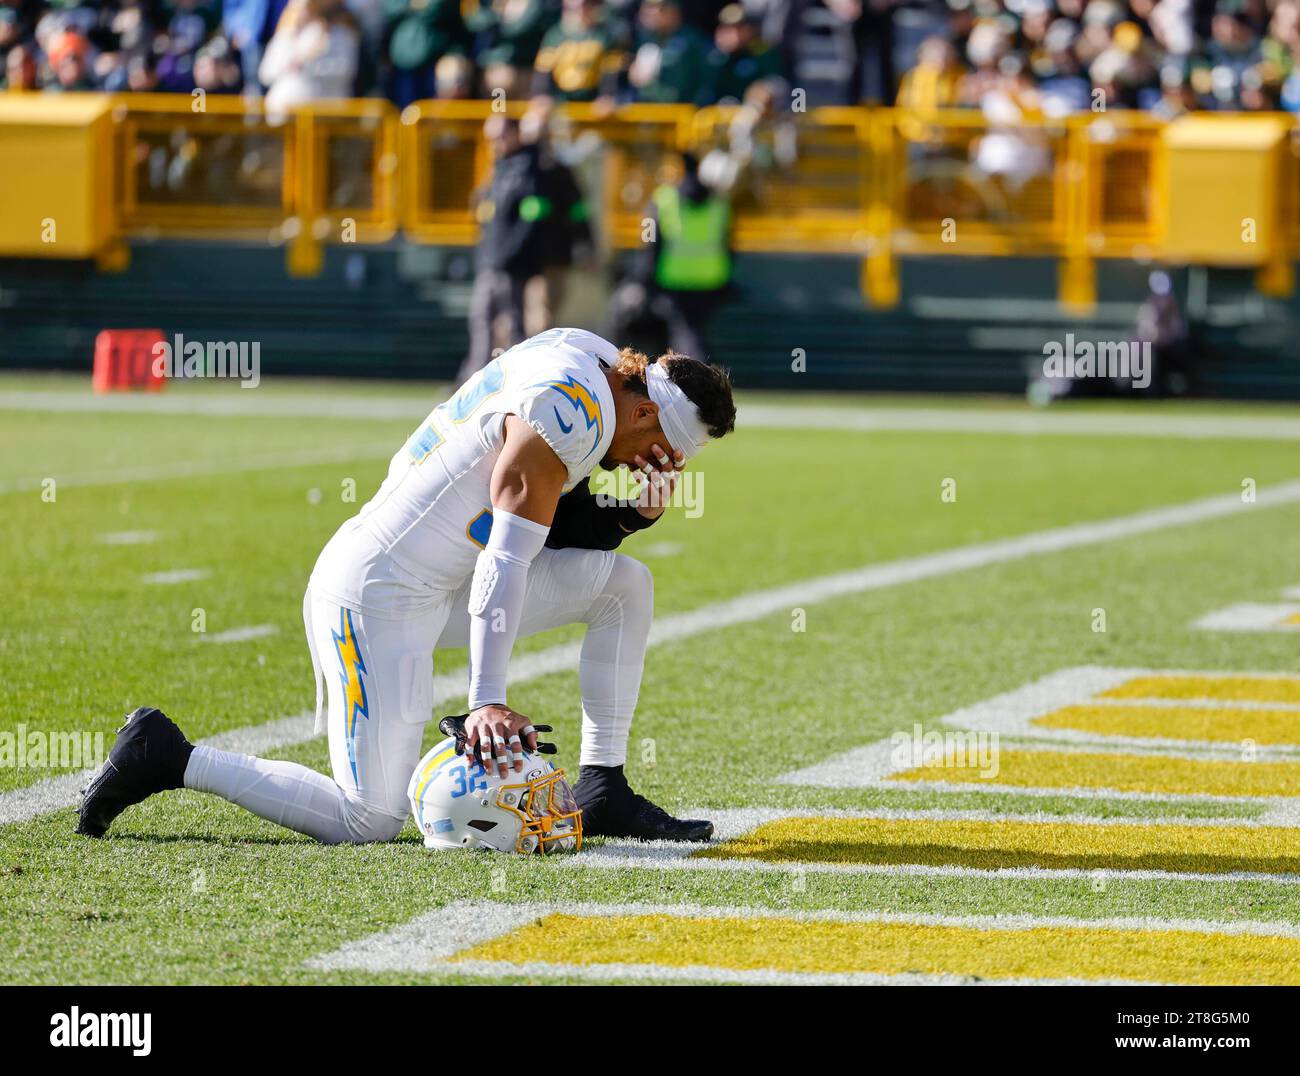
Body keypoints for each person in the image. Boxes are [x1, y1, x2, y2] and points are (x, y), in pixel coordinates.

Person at [76, 327, 737, 846]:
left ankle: (604, 788)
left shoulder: (591, 359)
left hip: (440, 583)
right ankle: (168, 754)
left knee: (624, 586)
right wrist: (486, 700)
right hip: (378, 593)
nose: (659, 464)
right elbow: (506, 559)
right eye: (666, 449)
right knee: (367, 818)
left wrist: (628, 515)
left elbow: (538, 521)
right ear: (646, 408)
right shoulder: (572, 414)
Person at [457, 113, 549, 384]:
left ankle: (522, 382)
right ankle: (473, 380)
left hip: (511, 264)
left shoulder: (528, 169)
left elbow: (532, 217)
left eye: (498, 137)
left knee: (513, 326)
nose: (494, 143)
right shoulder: (501, 168)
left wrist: (511, 253)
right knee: (481, 319)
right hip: (491, 261)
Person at [615, 152, 732, 363]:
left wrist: (641, 278)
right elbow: (728, 243)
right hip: (711, 278)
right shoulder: (720, 203)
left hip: (673, 277)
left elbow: (649, 240)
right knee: (691, 330)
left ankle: (701, 373)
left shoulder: (663, 199)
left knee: (686, 333)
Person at [258, 0, 360, 110]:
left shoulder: (341, 34)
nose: (302, 12)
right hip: (283, 115)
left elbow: (345, 71)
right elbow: (266, 74)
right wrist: (291, 63)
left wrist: (306, 66)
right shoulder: (285, 35)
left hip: (324, 114)